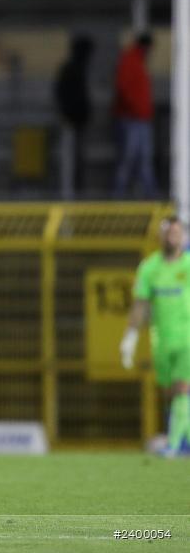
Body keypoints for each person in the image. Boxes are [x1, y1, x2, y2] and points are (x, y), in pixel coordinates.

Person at [120, 217, 190, 456]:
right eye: (169, 233)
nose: (173, 237)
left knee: (183, 388)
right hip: (161, 339)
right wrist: (130, 337)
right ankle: (184, 443)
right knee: (172, 394)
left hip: (187, 338)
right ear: (160, 237)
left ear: (183, 237)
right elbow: (141, 304)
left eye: (177, 233)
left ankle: (172, 445)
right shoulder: (149, 268)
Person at [113, 33, 156, 198]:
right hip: (131, 119)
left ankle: (150, 195)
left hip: (140, 118)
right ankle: (119, 196)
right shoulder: (131, 61)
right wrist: (136, 109)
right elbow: (123, 88)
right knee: (128, 159)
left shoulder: (137, 62)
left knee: (144, 160)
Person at [53, 34, 94, 198]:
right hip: (71, 123)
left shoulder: (77, 68)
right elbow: (62, 94)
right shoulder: (71, 69)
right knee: (70, 162)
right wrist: (67, 115)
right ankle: (69, 194)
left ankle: (75, 192)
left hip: (77, 122)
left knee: (76, 162)